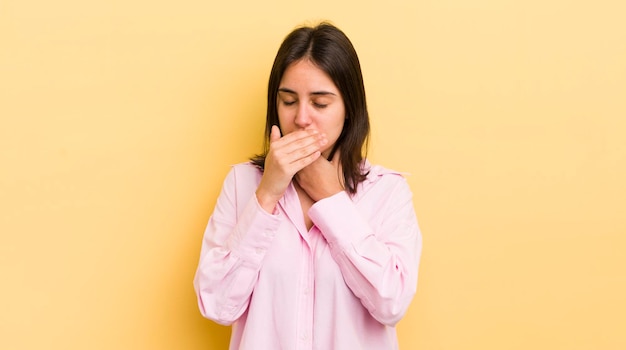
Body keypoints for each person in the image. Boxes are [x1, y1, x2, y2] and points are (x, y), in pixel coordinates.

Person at [193, 22, 422, 350]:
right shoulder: (243, 184)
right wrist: (268, 193)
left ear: (348, 109)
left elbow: (392, 302)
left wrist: (331, 198)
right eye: (288, 101)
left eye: (320, 103)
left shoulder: (387, 192)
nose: (301, 118)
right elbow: (215, 306)